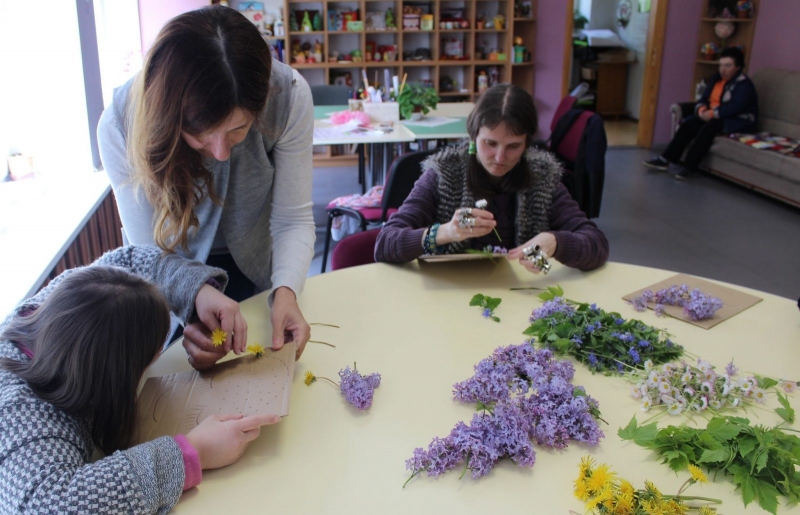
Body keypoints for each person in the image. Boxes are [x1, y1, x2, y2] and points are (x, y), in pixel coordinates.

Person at [97, 6, 315, 370]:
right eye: (200, 133)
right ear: (171, 116)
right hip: (170, 264)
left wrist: (287, 291)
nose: (221, 152)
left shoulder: (288, 95)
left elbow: (292, 220)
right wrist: (190, 302)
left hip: (259, 259)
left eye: (239, 129)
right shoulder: (120, 123)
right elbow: (148, 254)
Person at [0, 246, 279, 513]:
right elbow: (50, 507)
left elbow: (129, 260)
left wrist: (197, 292)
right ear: (114, 379)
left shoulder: (61, 299)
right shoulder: (24, 415)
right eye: (152, 356)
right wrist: (193, 452)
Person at [374, 83, 609, 272]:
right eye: (490, 143)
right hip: (450, 299)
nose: (499, 157)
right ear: (473, 136)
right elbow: (385, 244)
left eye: (513, 146)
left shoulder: (542, 177)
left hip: (521, 300)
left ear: (527, 144)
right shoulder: (445, 173)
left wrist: (556, 242)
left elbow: (597, 244)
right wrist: (445, 232)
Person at [643, 46, 758, 180]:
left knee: (708, 128)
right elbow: (704, 98)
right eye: (721, 65)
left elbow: (734, 108)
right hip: (714, 114)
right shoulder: (716, 79)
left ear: (738, 67)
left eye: (728, 66)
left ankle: (689, 167)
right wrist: (701, 109)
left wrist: (711, 114)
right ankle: (666, 159)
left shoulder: (744, 85)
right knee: (690, 123)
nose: (723, 69)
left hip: (738, 119)